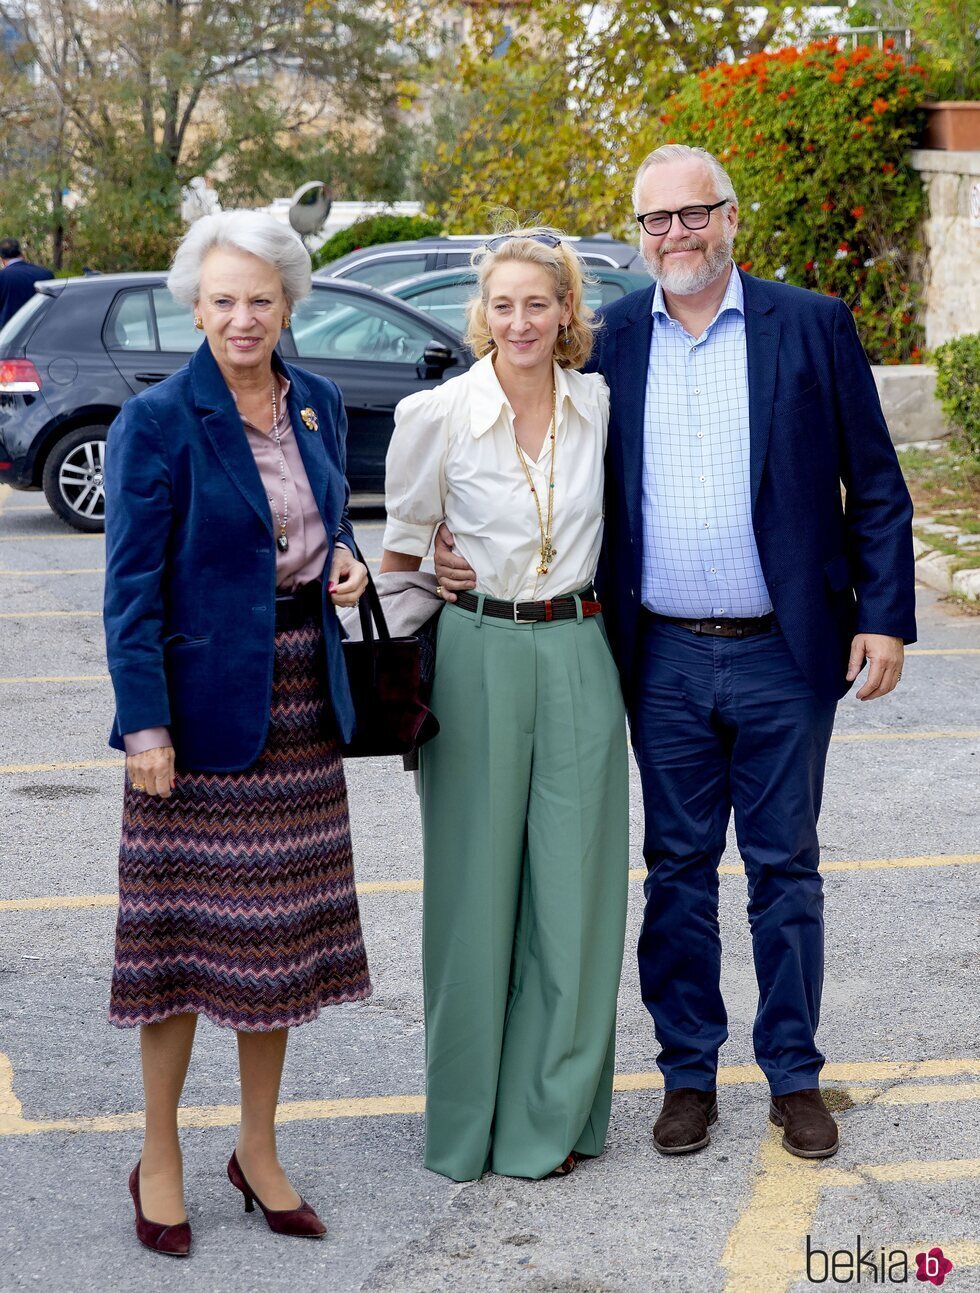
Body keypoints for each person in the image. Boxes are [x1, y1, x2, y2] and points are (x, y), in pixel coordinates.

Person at [434, 147, 916, 1162]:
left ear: (728, 218)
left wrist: (885, 616)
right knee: (677, 871)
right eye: (654, 221)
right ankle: (686, 1075)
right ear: (637, 233)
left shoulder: (811, 326)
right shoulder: (609, 350)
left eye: (692, 215)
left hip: (790, 656)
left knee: (785, 869)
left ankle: (792, 1074)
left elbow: (872, 484)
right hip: (661, 660)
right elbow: (528, 450)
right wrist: (448, 543)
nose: (674, 236)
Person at [103, 210, 370, 1257]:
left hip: (301, 702)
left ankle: (256, 1149)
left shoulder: (317, 405)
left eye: (260, 297)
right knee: (174, 951)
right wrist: (143, 726)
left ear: (287, 301)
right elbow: (127, 588)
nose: (242, 316)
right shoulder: (161, 421)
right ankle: (159, 1151)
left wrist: (343, 554)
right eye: (222, 299)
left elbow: (324, 521)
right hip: (194, 720)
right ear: (195, 305)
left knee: (276, 952)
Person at [382, 229, 629, 1182]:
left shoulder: (600, 403)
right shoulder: (436, 415)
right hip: (475, 651)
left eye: (539, 302)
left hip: (578, 649)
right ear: (480, 312)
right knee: (473, 900)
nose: (519, 320)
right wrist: (432, 579)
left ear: (568, 311)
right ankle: (465, 1122)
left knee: (575, 898)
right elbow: (399, 558)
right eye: (502, 303)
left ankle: (550, 1115)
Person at [0, 238, 54, 329]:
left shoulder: (2, 277)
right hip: (41, 332)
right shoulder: (45, 274)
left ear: (1, 259)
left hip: (9, 334)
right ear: (21, 254)